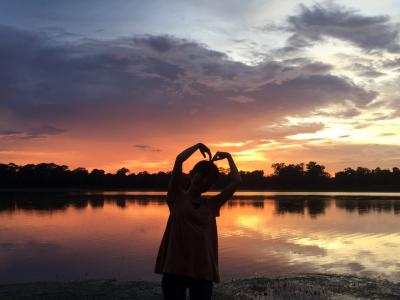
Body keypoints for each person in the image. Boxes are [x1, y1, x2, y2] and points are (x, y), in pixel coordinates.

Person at [154, 142, 242, 300]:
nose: (205, 182)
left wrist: (228, 157)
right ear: (193, 174)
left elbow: (236, 181)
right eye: (203, 176)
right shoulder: (176, 197)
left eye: (210, 180)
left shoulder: (212, 204)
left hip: (202, 270)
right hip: (174, 269)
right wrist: (198, 146)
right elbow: (179, 160)